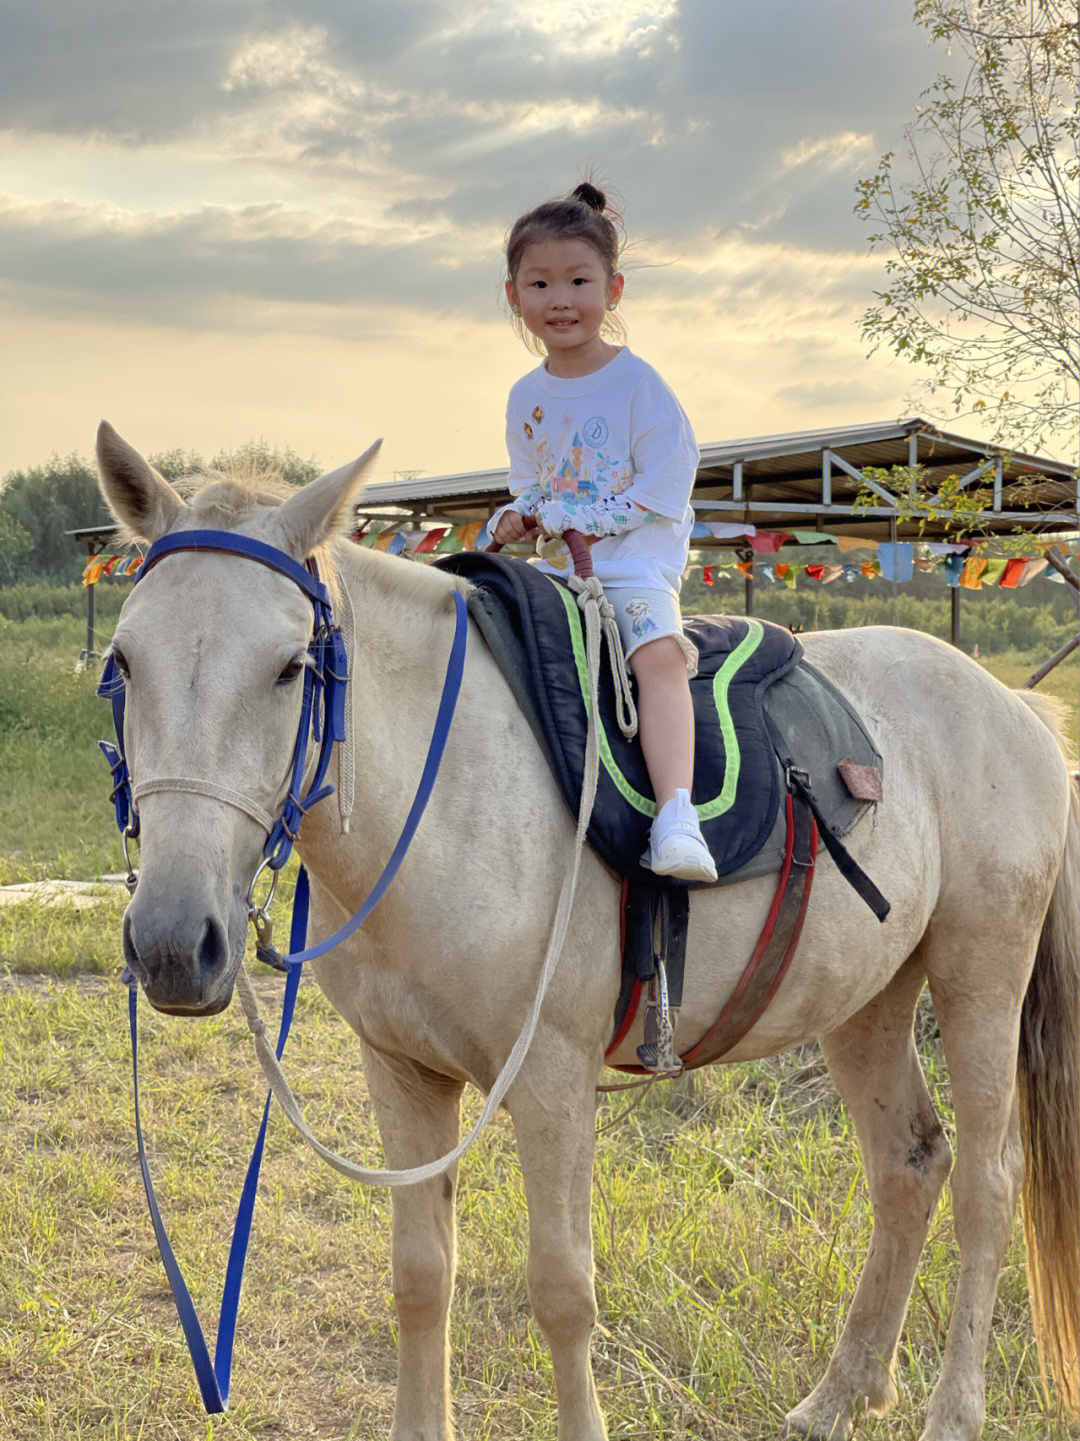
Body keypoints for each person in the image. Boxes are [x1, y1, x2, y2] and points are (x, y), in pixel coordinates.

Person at [492, 182, 716, 883]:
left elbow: (664, 490)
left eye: (579, 280)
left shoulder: (639, 386)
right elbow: (531, 481)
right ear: (514, 295)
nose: (561, 299)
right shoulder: (525, 397)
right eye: (541, 282)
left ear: (612, 289)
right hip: (557, 571)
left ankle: (677, 813)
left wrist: (576, 518)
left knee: (658, 658)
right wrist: (518, 514)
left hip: (632, 571)